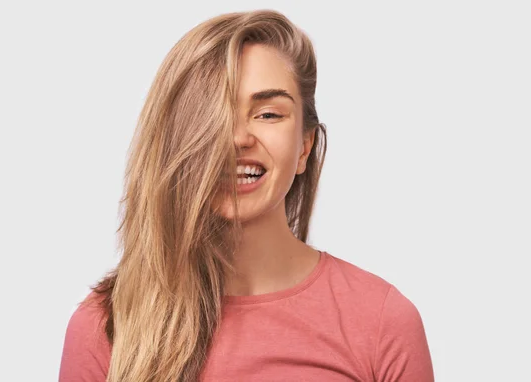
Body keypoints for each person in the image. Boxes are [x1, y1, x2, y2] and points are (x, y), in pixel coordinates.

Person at [59, 9, 434, 382]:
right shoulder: (105, 324)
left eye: (268, 114)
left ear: (304, 146)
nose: (238, 138)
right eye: (211, 116)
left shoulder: (383, 322)